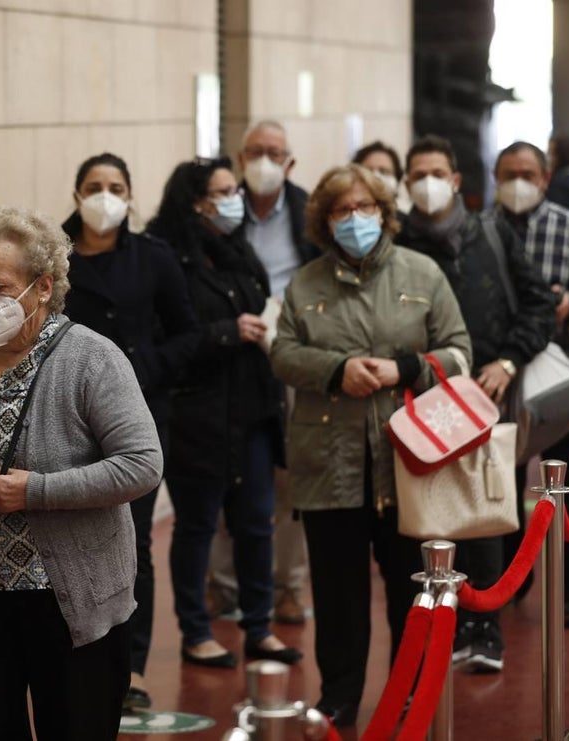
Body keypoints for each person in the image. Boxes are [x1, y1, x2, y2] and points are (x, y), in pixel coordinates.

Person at [0, 206, 163, 741]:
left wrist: (37, 492)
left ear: (42, 287)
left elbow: (142, 464)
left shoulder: (91, 359)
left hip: (68, 605)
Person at [270, 163, 472, 727]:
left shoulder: (423, 273)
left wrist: (402, 367)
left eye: (366, 208)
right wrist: (336, 370)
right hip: (328, 463)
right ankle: (338, 698)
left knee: (410, 587)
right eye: (341, 210)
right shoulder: (305, 282)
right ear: (324, 220)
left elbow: (460, 352)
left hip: (408, 462)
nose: (355, 219)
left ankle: (411, 692)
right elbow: (282, 354)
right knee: (337, 598)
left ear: (386, 213)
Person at [396, 135, 555, 673]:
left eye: (436, 171)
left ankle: (485, 629)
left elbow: (538, 304)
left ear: (457, 179)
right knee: (429, 510)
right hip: (421, 396)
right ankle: (439, 620)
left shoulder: (492, 232)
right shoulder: (396, 244)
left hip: (487, 394)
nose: (428, 182)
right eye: (417, 173)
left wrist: (508, 361)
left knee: (485, 507)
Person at [147, 157, 301, 670]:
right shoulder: (166, 258)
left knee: (256, 524)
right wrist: (226, 333)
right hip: (197, 414)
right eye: (223, 191)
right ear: (195, 201)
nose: (235, 199)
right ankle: (196, 629)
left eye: (235, 189)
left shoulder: (238, 251)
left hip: (254, 410)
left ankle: (258, 627)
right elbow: (170, 341)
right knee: (197, 526)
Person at [60, 153, 199, 711]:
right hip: (64, 418)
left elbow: (185, 335)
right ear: (76, 195)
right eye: (93, 186)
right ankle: (70, 655)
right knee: (67, 540)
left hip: (136, 418)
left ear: (131, 196)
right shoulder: (54, 256)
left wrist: (138, 370)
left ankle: (131, 666)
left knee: (130, 543)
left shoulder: (154, 259)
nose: (104, 196)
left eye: (116, 186)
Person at [494, 141, 569, 624]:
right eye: (509, 173)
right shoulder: (486, 231)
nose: (519, 182)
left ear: (545, 178)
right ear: (495, 175)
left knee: (562, 480)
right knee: (501, 479)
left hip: (558, 371)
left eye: (528, 173)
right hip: (501, 369)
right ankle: (509, 579)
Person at [229, 121, 319, 625]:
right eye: (256, 151)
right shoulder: (222, 207)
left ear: (290, 162)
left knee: (292, 479)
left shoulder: (309, 213)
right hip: (236, 354)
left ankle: (290, 586)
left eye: (275, 152)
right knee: (236, 476)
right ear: (241, 159)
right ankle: (226, 587)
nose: (265, 161)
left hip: (292, 354)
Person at [354, 139, 411, 214]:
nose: (376, 177)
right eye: (368, 171)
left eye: (383, 171)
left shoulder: (409, 224)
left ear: (397, 179)